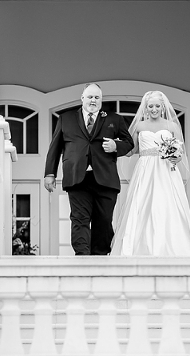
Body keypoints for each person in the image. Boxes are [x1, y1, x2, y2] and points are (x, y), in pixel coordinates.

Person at [43, 83, 135, 255]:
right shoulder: (66, 118)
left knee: (104, 221)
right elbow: (55, 147)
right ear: (82, 98)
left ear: (101, 100)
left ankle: (99, 257)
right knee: (79, 219)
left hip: (105, 179)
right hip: (77, 177)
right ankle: (82, 258)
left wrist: (116, 146)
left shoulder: (114, 119)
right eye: (90, 97)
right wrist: (50, 173)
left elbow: (130, 143)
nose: (93, 100)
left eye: (97, 97)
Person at [110, 90, 190, 256]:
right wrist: (115, 146)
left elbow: (180, 151)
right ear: (145, 107)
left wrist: (176, 157)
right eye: (150, 106)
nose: (153, 109)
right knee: (141, 205)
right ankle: (139, 249)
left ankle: (173, 249)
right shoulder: (139, 126)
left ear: (162, 107)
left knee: (166, 205)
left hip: (166, 170)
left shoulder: (171, 126)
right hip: (144, 170)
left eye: (157, 106)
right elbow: (131, 150)